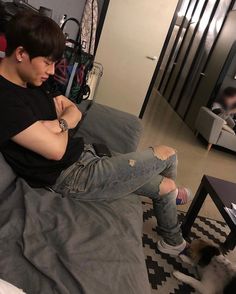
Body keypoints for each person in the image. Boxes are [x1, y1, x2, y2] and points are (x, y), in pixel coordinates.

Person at [0, 12, 192, 256]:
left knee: (168, 186)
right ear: (20, 54)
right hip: (71, 177)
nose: (52, 70)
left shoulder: (34, 80)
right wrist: (64, 123)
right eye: (47, 62)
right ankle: (169, 222)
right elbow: (57, 150)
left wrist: (59, 125)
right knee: (169, 154)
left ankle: (172, 241)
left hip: (84, 156)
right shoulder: (5, 100)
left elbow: (73, 110)